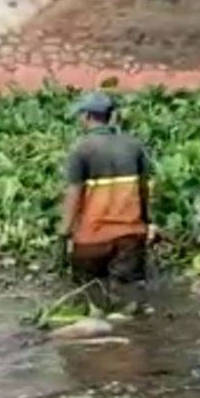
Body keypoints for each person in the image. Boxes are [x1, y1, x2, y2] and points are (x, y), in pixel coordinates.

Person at [59, 91, 154, 294]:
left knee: (88, 294)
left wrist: (64, 232)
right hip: (130, 236)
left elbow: (74, 194)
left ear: (87, 116)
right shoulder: (133, 145)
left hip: (91, 239)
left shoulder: (81, 149)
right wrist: (147, 222)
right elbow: (144, 189)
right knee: (129, 296)